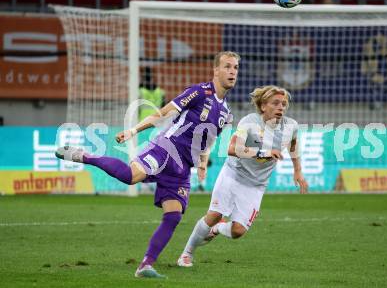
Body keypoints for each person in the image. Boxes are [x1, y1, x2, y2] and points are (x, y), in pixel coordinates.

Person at [55, 51, 241, 278]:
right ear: (216, 70)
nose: (232, 72)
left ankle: (145, 266)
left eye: (235, 68)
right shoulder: (199, 92)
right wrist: (133, 131)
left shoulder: (226, 112)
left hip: (182, 167)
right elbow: (162, 113)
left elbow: (209, 140)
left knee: (173, 216)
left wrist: (202, 162)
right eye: (228, 67)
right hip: (165, 149)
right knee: (130, 177)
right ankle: (85, 156)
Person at [177, 85, 308, 268]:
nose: (281, 107)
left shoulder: (291, 126)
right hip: (233, 174)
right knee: (215, 214)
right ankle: (186, 254)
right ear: (263, 106)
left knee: (238, 231)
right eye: (276, 103)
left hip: (256, 184)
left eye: (284, 104)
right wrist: (263, 153)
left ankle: (217, 229)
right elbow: (231, 149)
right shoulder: (250, 123)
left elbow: (293, 144)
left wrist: (298, 170)